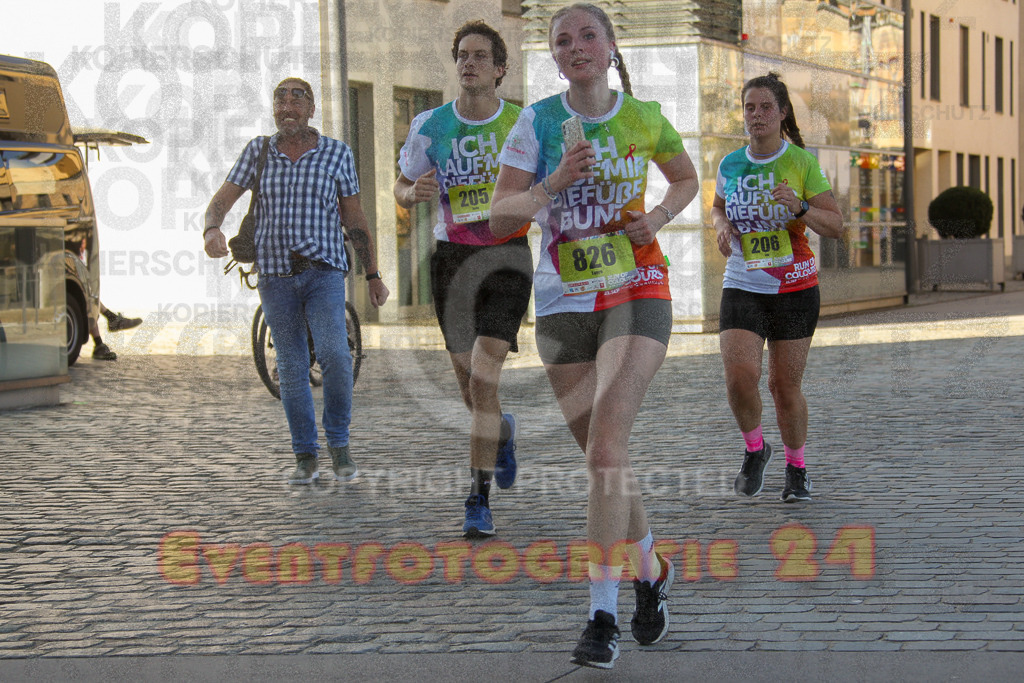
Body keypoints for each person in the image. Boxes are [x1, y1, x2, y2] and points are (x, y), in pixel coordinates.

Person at [491, 3, 698, 669]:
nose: (575, 47)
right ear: (554, 56)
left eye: (587, 36)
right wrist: (553, 183)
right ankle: (653, 570)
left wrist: (658, 217)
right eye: (562, 40)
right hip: (562, 303)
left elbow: (686, 178)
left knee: (606, 448)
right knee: (606, 460)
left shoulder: (644, 117)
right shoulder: (536, 122)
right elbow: (498, 217)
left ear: (610, 47)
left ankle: (601, 616)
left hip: (636, 289)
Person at [204, 77, 388, 484]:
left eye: (296, 99)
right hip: (275, 276)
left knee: (336, 356)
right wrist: (212, 229)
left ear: (311, 109)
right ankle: (305, 455)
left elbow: (354, 218)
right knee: (290, 366)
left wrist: (373, 274)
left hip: (324, 273)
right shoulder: (258, 151)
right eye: (280, 100)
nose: (287, 106)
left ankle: (339, 444)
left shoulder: (337, 153)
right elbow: (221, 200)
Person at [393, 21, 532, 539]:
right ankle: (502, 432)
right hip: (451, 260)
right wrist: (412, 194)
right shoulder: (431, 124)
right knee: (468, 383)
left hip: (506, 257)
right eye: (462, 56)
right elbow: (401, 185)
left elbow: (548, 187)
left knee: (483, 377)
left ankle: (478, 499)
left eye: (480, 56)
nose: (469, 64)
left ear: (500, 69)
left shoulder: (521, 124)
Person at [711, 72, 844, 504]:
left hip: (794, 288)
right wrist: (721, 225)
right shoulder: (730, 164)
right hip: (743, 283)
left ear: (783, 112)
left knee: (783, 387)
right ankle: (755, 449)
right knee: (739, 379)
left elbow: (836, 225)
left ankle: (796, 468)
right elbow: (717, 207)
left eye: (766, 107)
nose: (757, 115)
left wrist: (801, 207)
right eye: (749, 107)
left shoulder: (801, 163)